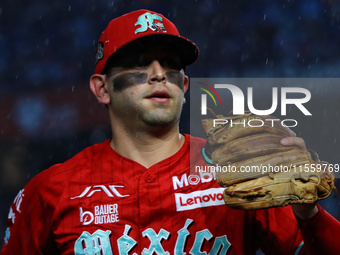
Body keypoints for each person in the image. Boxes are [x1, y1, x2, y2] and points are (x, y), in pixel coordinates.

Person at [1, 9, 339, 255]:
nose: (159, 73)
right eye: (139, 62)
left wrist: (307, 212)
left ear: (184, 85)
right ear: (102, 89)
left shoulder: (236, 170)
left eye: (171, 64)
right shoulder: (50, 191)